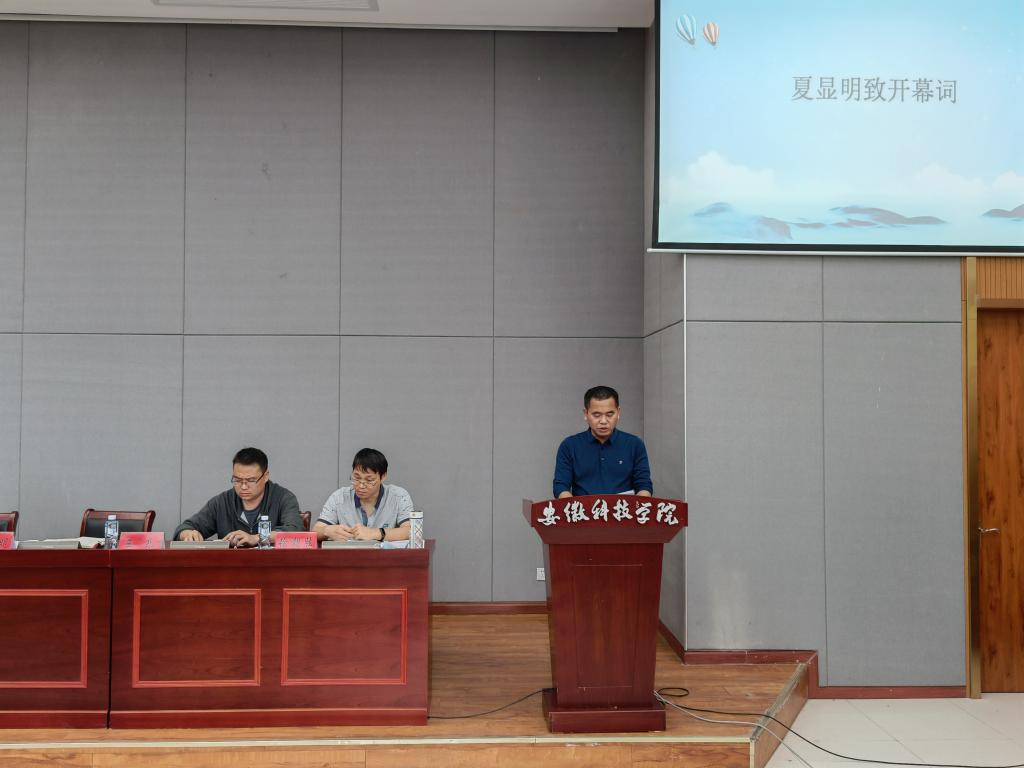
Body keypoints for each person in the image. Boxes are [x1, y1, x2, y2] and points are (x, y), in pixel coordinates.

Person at [174, 447, 302, 546]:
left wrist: (257, 538)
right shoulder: (222, 502)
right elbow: (185, 527)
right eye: (237, 480)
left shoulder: (283, 498)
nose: (243, 486)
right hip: (230, 569)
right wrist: (187, 534)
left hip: (272, 567)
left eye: (251, 480)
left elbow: (295, 531)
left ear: (266, 476)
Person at [553, 385, 653, 498]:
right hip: (583, 509)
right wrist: (573, 506)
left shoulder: (635, 444)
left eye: (610, 414)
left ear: (618, 413)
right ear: (586, 414)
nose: (603, 421)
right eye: (596, 415)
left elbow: (644, 485)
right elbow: (560, 486)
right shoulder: (569, 446)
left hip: (623, 508)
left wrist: (639, 505)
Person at [315, 448, 413, 543]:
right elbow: (316, 531)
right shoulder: (339, 497)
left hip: (384, 554)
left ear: (383, 477)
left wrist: (375, 533)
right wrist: (327, 531)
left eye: (369, 480)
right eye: (356, 478)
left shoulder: (398, 496)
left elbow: (410, 531)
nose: (361, 486)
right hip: (349, 553)